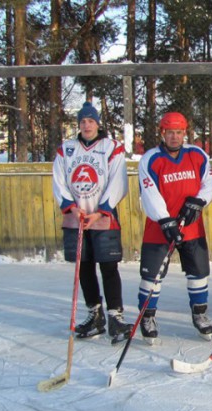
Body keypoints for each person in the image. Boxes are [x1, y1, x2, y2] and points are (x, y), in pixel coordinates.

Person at [52, 101, 130, 341]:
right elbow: (59, 180)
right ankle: (94, 314)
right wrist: (72, 208)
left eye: (90, 121)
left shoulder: (111, 148)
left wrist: (101, 210)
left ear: (98, 123)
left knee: (108, 266)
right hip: (77, 219)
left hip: (102, 218)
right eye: (83, 121)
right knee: (83, 266)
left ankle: (115, 316)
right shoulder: (67, 149)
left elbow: (118, 181)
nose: (86, 125)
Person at [136, 112, 212, 344]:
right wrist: (165, 219)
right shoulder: (150, 159)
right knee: (152, 275)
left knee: (199, 272)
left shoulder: (197, 154)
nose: (174, 137)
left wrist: (199, 201)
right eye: (170, 132)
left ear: (185, 133)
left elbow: (208, 183)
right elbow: (149, 191)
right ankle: (147, 317)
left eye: (178, 132)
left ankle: (199, 314)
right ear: (162, 133)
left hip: (191, 226)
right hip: (159, 228)